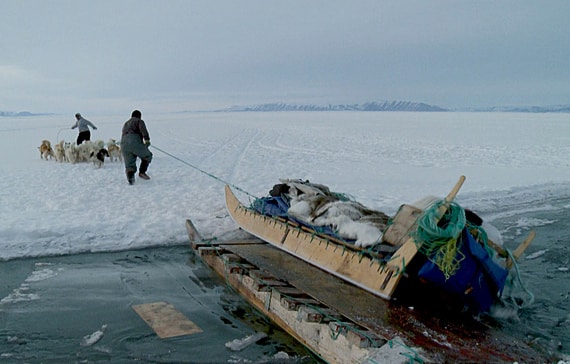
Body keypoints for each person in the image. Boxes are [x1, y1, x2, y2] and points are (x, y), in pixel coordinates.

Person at [121, 109, 152, 185]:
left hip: (124, 144)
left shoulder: (126, 123)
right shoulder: (139, 121)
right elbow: (143, 129)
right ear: (139, 116)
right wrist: (147, 139)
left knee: (129, 164)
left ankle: (131, 181)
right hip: (134, 142)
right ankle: (142, 172)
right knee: (147, 155)